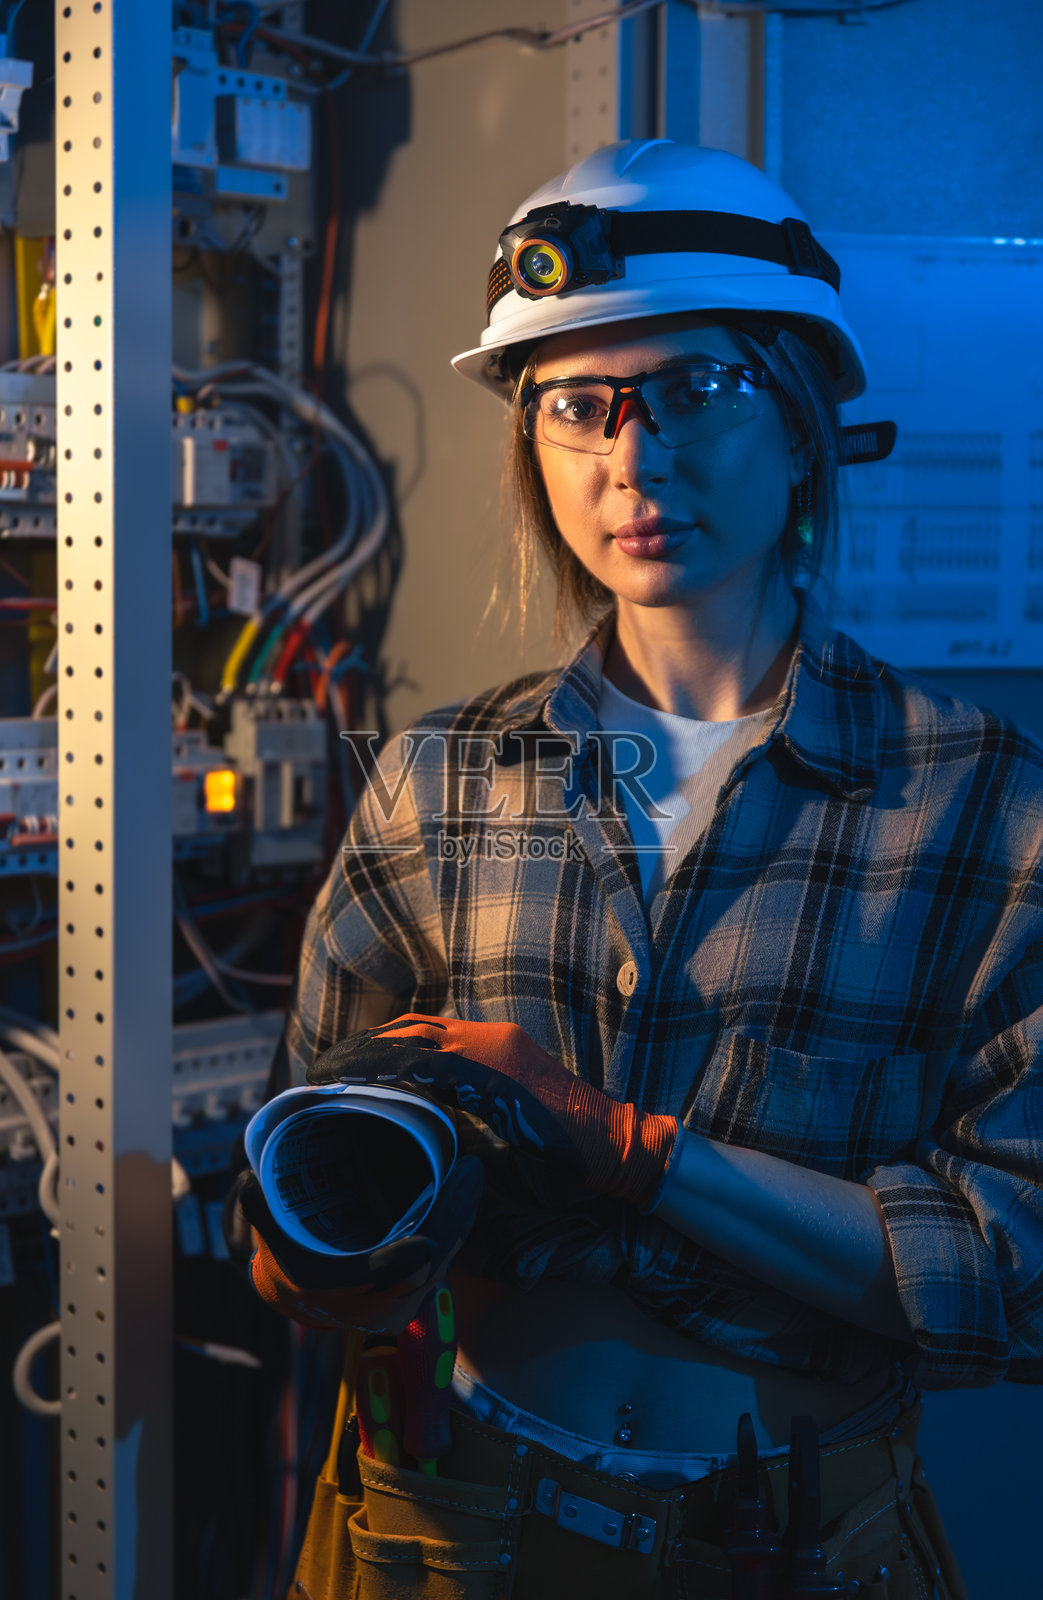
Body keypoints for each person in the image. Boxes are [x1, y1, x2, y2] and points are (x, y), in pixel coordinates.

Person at [230, 142, 1043, 1599]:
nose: (633, 458)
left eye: (695, 389)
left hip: (795, 1548)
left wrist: (612, 1139)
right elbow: (297, 1255)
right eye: (579, 406)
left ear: (804, 423)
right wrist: (345, 1223)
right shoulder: (436, 783)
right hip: (447, 1528)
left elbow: (1016, 1276)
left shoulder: (980, 804)